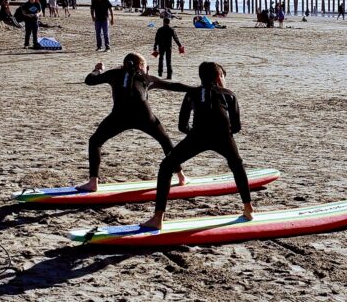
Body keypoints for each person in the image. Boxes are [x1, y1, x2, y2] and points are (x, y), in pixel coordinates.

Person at [140, 62, 252, 230]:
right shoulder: (228, 94)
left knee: (166, 166)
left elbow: (182, 126)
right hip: (223, 137)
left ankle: (158, 219)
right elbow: (236, 126)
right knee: (237, 165)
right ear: (218, 77)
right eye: (222, 75)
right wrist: (223, 135)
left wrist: (195, 136)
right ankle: (248, 209)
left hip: (197, 136)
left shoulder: (192, 93)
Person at [74, 53, 190, 193]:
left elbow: (89, 80)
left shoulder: (114, 73)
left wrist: (98, 69)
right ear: (141, 66)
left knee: (95, 142)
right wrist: (197, 89)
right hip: (144, 116)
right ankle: (181, 177)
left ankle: (93, 183)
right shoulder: (146, 78)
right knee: (165, 141)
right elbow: (173, 85)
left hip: (119, 116)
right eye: (147, 66)